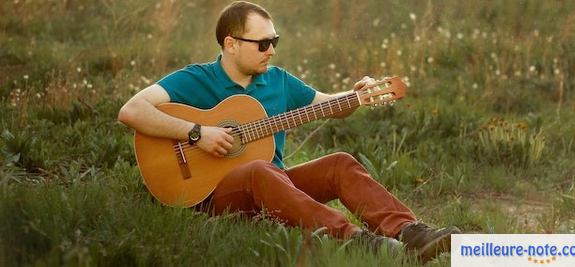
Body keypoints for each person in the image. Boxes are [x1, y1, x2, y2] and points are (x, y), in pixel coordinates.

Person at [118, 1, 460, 262]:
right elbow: (132, 111)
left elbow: (325, 104)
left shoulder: (278, 80)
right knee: (258, 171)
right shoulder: (196, 78)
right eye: (262, 43)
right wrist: (197, 133)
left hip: (275, 188)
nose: (272, 50)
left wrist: (357, 96)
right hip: (209, 197)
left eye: (274, 41)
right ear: (231, 43)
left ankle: (411, 234)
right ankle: (359, 242)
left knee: (339, 163)